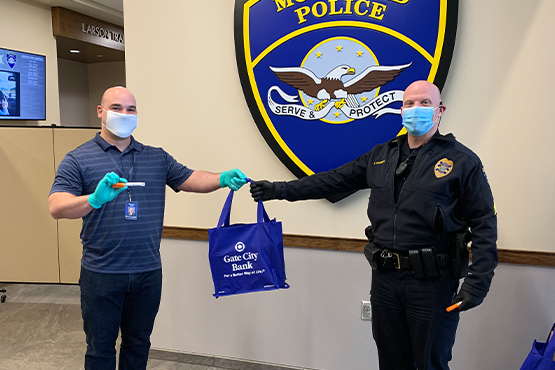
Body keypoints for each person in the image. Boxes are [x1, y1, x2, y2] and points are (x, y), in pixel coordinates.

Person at [250, 80, 497, 370]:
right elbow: (332, 180)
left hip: (432, 283)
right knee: (391, 362)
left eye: (425, 103)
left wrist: (477, 284)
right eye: (409, 103)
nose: (415, 109)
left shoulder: (461, 161)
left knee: (430, 362)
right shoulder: (382, 156)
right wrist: (278, 190)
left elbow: (484, 223)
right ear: (401, 109)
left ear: (439, 110)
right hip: (385, 281)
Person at [48, 86, 247, 370]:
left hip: (147, 272)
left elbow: (192, 178)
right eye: (117, 108)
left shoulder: (156, 157)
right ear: (101, 112)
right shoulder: (78, 159)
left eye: (131, 109)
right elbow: (56, 205)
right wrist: (92, 200)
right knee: (100, 349)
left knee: (138, 343)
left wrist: (222, 177)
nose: (125, 114)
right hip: (102, 273)